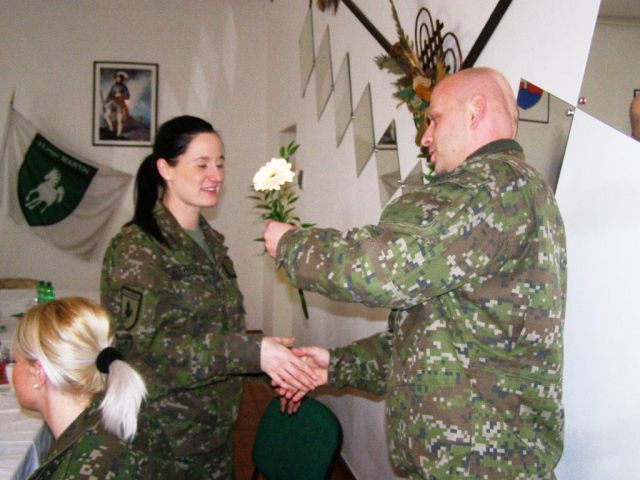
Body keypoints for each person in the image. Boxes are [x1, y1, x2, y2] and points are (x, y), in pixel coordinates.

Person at [263, 67, 567, 479]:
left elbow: (381, 271)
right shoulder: (506, 195)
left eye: (434, 119)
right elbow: (429, 339)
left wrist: (291, 245)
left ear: (474, 112)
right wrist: (336, 365)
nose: (425, 137)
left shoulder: (490, 188)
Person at [101, 115, 317, 479]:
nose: (216, 176)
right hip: (163, 439)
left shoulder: (211, 242)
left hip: (213, 431)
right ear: (165, 169)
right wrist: (254, 352)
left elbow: (220, 331)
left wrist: (276, 368)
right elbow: (149, 348)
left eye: (220, 163)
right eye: (201, 165)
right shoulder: (138, 248)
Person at [12, 297, 157, 479]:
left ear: (39, 373)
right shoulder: (109, 419)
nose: (13, 371)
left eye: (16, 361)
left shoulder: (85, 468)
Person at [103, 71, 130, 138]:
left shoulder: (124, 87)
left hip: (119, 103)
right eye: (116, 78)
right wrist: (105, 101)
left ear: (121, 79)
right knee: (106, 116)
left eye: (119, 78)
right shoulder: (113, 86)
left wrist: (121, 95)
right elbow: (109, 95)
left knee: (119, 120)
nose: (117, 79)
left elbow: (127, 96)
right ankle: (111, 127)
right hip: (112, 102)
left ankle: (118, 134)